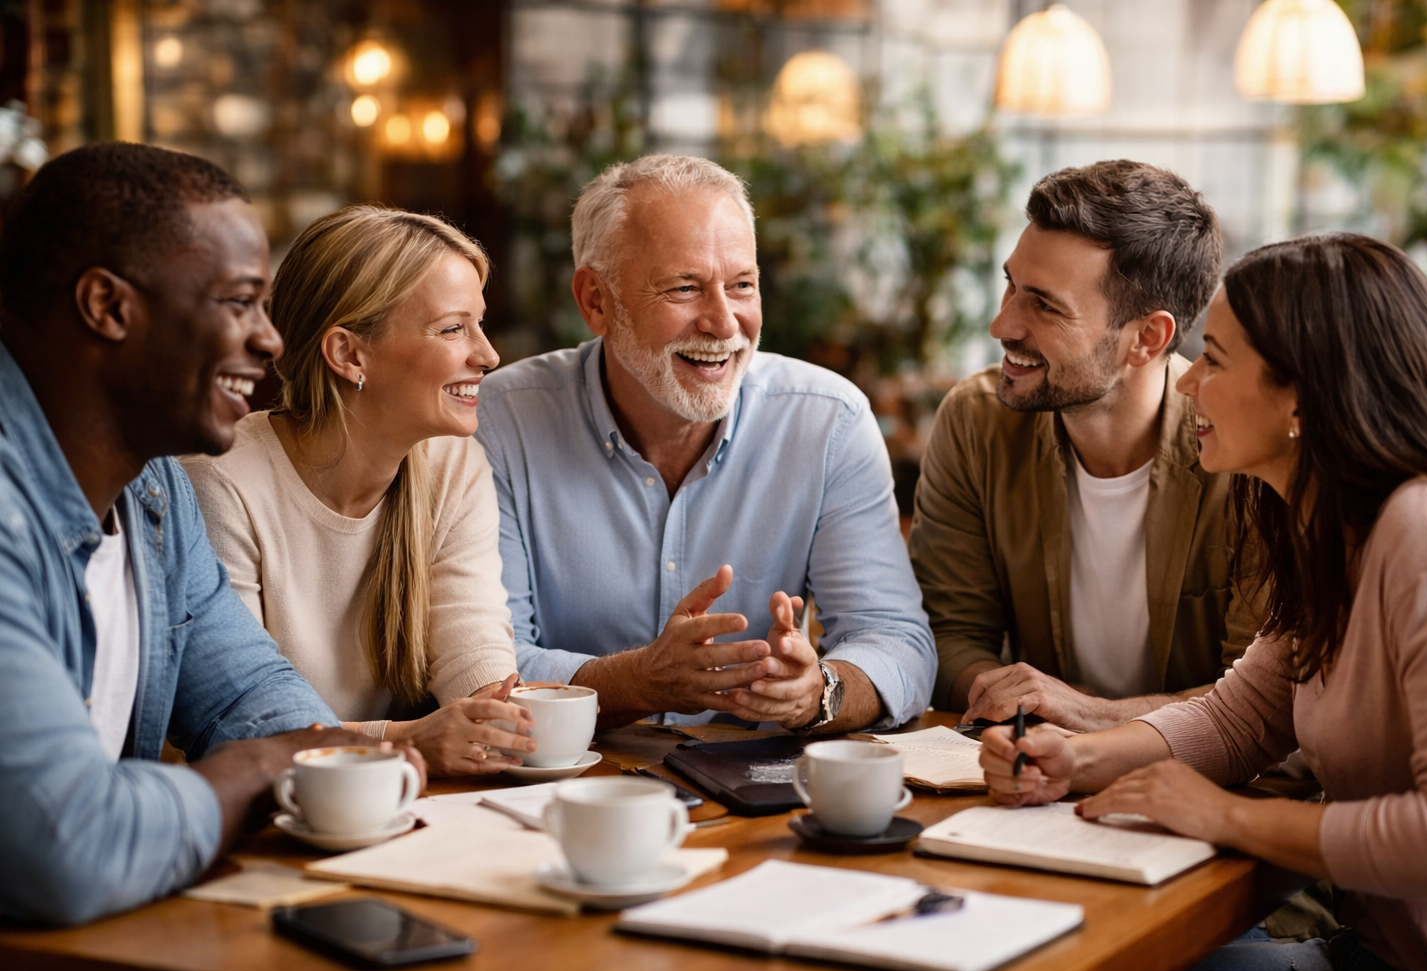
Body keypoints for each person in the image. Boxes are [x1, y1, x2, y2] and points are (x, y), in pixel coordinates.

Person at [984, 233, 1427, 971]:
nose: (1188, 384)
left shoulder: (1424, 533)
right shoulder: (1327, 528)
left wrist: (1223, 815)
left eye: (1216, 360)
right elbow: (1242, 716)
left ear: (1302, 397)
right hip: (1375, 961)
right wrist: (1074, 759)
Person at [0, 143, 410, 927]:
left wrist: (322, 759)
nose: (269, 340)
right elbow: (65, 848)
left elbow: (254, 698)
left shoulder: (152, 492)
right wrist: (263, 767)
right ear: (109, 307)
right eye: (238, 302)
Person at [475, 154, 935, 733]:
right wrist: (642, 681)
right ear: (596, 301)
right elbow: (489, 670)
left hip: (754, 795)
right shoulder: (500, 421)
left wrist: (822, 690)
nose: (723, 323)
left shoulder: (828, 422)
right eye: (684, 288)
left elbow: (898, 643)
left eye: (742, 285)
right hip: (568, 789)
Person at [909, 160, 1259, 733]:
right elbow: (948, 634)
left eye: (1044, 305)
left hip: (1206, 794)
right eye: (1010, 285)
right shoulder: (978, 422)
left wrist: (1089, 716)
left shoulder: (1247, 453)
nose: (1003, 325)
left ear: (1147, 338)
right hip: (1034, 782)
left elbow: (1265, 702)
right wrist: (1011, 699)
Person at [183, 207, 534, 777]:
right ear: (349, 354)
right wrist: (405, 742)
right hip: (270, 811)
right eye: (453, 328)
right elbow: (238, 720)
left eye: (480, 324)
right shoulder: (220, 483)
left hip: (396, 801)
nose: (488, 355)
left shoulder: (452, 466)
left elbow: (473, 649)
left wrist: (499, 715)